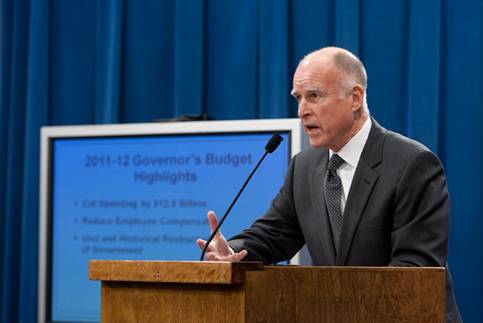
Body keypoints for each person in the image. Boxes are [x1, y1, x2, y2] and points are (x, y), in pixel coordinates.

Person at [196, 47, 462, 322]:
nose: (301, 111)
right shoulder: (304, 167)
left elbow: (415, 270)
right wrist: (233, 251)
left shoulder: (412, 164)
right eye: (298, 98)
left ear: (355, 98)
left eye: (314, 96)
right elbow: (273, 234)